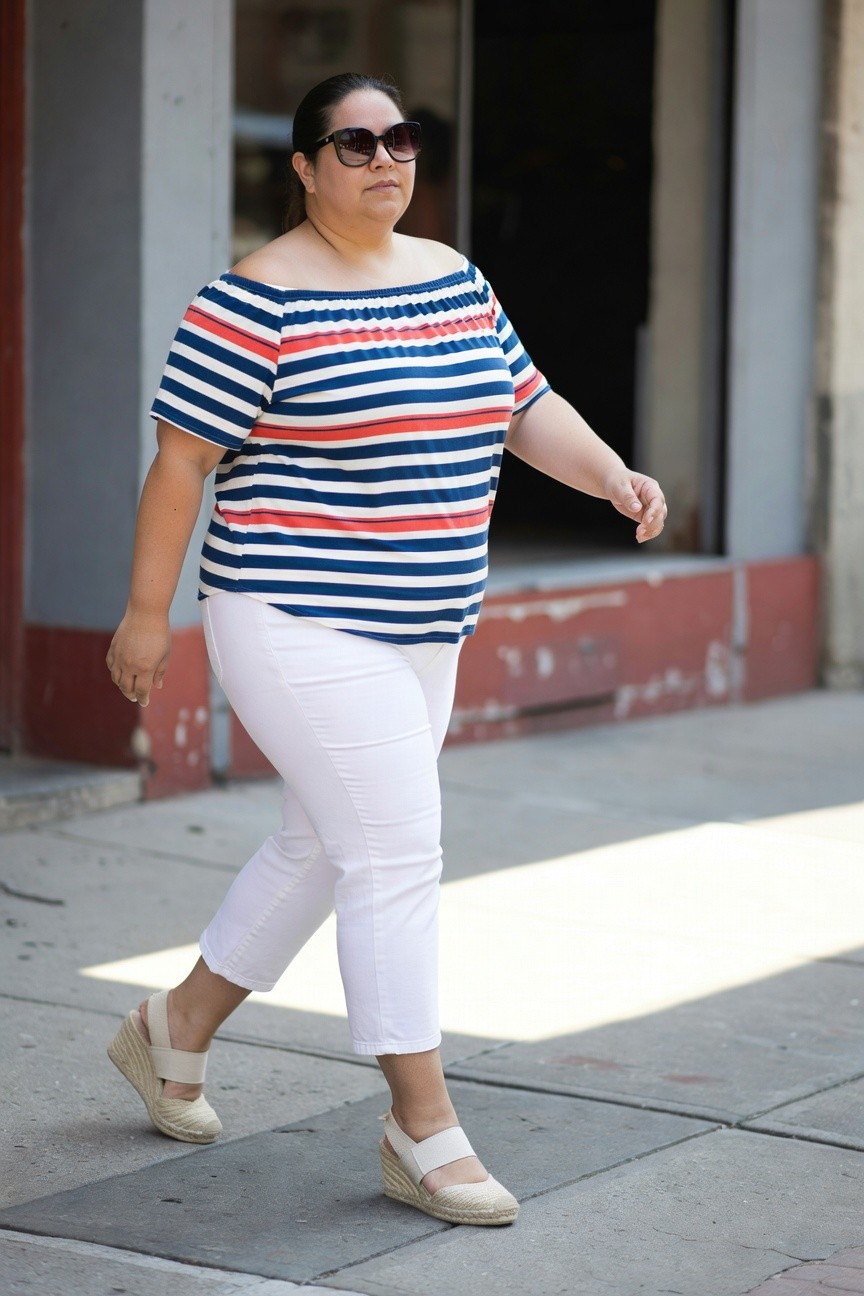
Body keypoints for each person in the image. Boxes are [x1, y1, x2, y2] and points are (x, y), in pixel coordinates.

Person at [105, 71, 667, 1228]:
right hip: (293, 617)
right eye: (352, 145)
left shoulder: (455, 276)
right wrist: (147, 615)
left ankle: (176, 1028)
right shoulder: (250, 302)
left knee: (329, 840)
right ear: (304, 167)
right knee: (398, 849)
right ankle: (423, 1124)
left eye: (399, 140)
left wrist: (609, 472)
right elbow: (180, 467)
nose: (382, 162)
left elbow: (522, 403)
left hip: (425, 622)